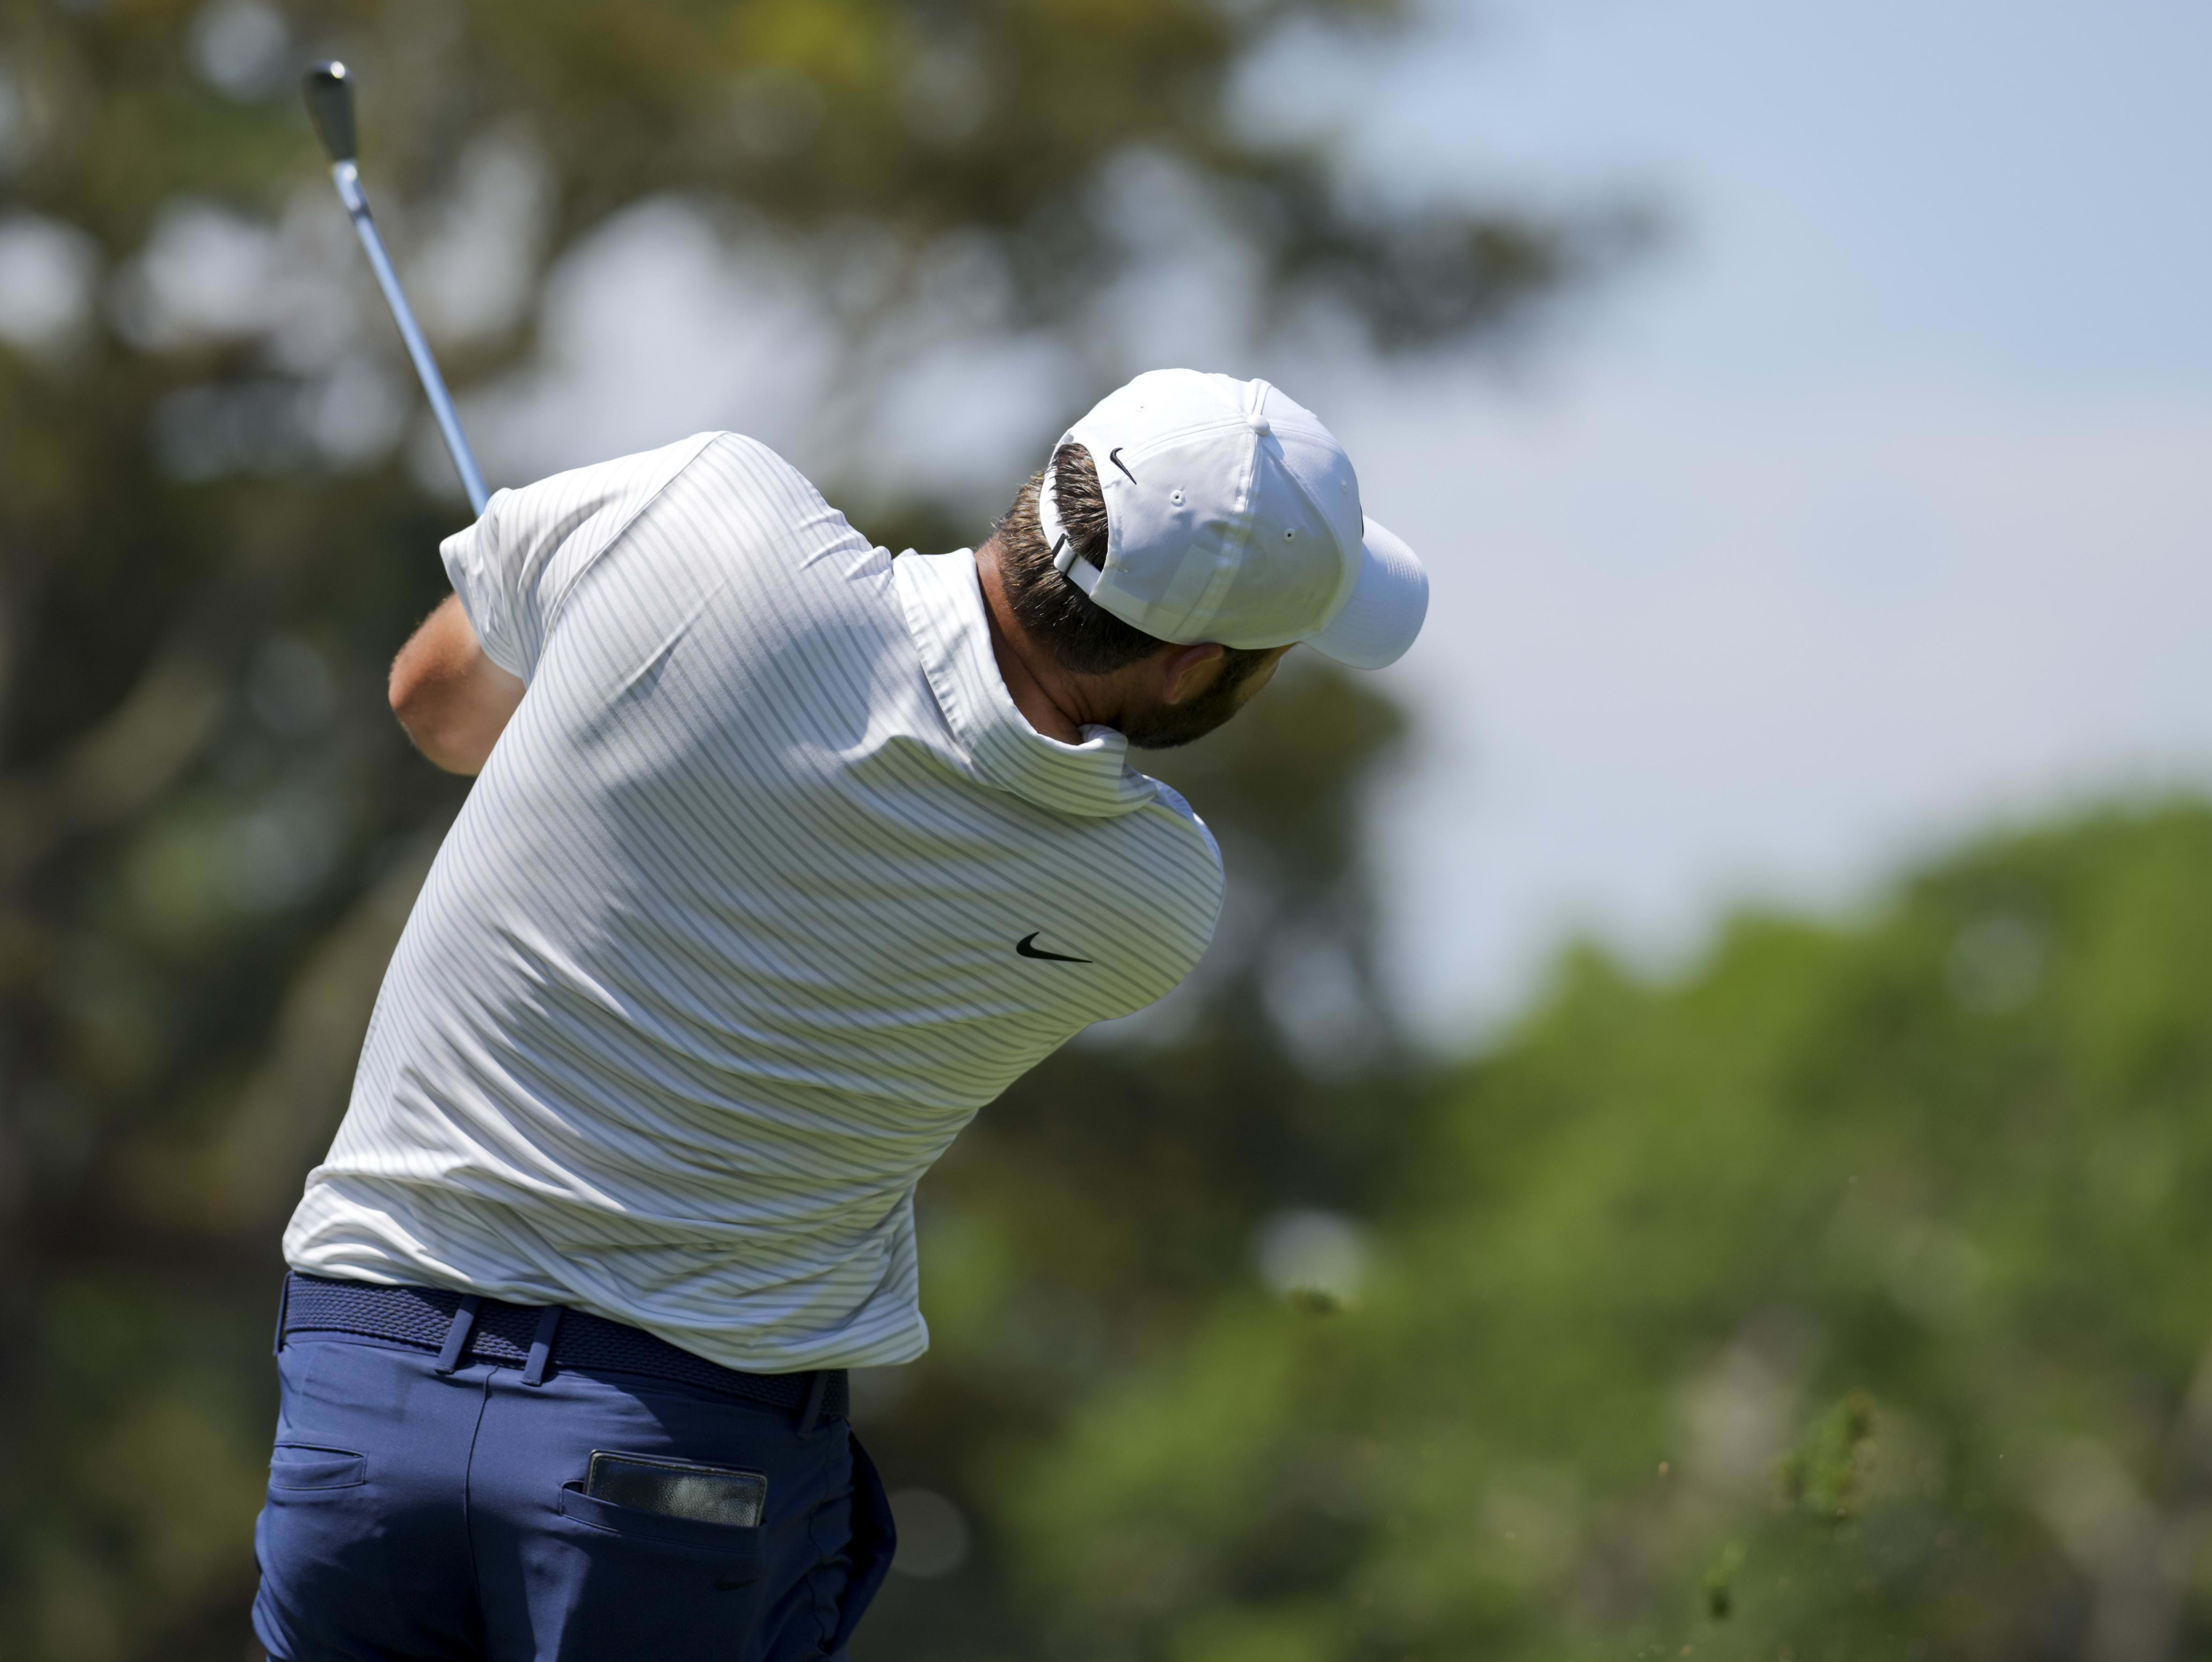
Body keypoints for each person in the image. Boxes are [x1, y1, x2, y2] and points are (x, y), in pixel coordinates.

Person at [249, 369, 1429, 1662]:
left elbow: (434, 698)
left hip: (361, 1386)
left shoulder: (705, 516)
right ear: (1193, 665)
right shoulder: (1149, 895)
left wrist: (616, 704)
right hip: (673, 1463)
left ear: (1043, 493)